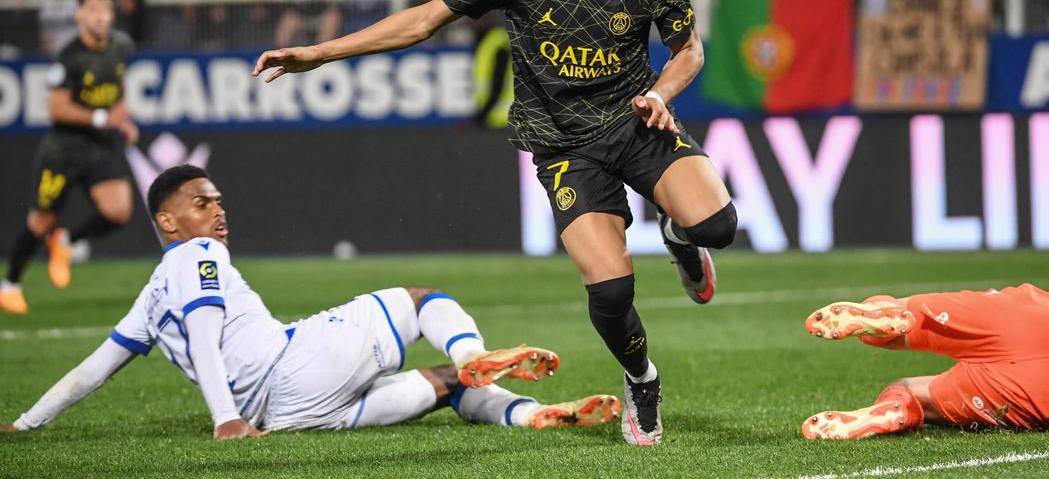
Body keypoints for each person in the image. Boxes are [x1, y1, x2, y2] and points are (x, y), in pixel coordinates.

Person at [252, 0, 737, 445]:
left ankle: (680, 237)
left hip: (636, 119)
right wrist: (319, 53)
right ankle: (641, 378)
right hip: (564, 147)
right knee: (610, 294)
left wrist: (661, 93)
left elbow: (689, 50)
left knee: (719, 226)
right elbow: (425, 19)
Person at [1, 165, 619, 439]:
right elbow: (207, 340)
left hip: (293, 415)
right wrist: (225, 420)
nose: (218, 210)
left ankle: (529, 414)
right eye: (201, 203)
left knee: (446, 388)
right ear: (168, 220)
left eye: (219, 201)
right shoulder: (197, 256)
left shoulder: (148, 298)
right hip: (293, 366)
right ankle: (475, 352)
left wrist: (26, 422)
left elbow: (94, 369)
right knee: (421, 298)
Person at [799, 274, 1049, 440]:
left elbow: (1047, 308)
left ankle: (886, 311)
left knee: (911, 318)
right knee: (912, 391)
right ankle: (902, 407)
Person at [1, 0, 139, 315]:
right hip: (63, 150)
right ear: (79, 15)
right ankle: (10, 284)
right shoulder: (68, 57)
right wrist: (104, 117)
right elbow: (56, 108)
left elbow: (117, 85)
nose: (100, 16)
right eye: (92, 9)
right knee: (40, 222)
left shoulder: (121, 46)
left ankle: (66, 241)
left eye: (106, 9)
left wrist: (124, 120)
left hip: (99, 145)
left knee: (118, 210)